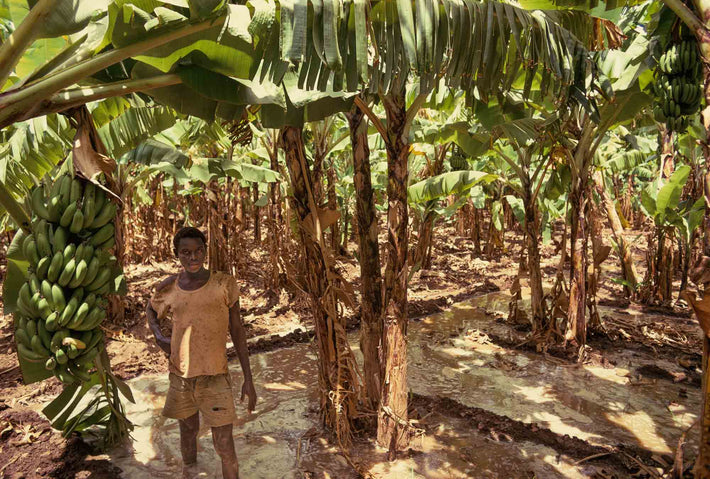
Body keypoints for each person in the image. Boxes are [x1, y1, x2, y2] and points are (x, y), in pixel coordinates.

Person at [146, 226, 257, 479]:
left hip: (215, 376)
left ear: (206, 251)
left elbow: (237, 330)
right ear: (177, 255)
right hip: (181, 377)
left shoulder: (224, 284)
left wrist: (248, 379)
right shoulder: (171, 287)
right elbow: (150, 310)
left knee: (224, 445)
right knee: (187, 432)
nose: (193, 257)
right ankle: (191, 472)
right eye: (185, 252)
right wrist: (159, 336)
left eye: (198, 251)